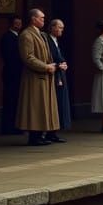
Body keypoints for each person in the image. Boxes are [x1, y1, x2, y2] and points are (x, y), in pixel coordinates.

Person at [16, 8, 61, 146]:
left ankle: (43, 134)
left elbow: (47, 53)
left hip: (45, 76)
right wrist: (45, 66)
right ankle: (34, 136)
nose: (43, 20)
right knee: (35, 107)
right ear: (33, 19)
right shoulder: (26, 35)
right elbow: (28, 57)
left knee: (44, 107)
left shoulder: (42, 35)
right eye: (41, 18)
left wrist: (52, 64)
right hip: (34, 77)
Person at [45, 18, 70, 138]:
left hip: (60, 73)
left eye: (62, 28)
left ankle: (54, 132)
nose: (62, 30)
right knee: (54, 103)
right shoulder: (47, 40)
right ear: (53, 27)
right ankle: (50, 132)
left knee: (60, 103)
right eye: (60, 27)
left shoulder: (56, 40)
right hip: (53, 75)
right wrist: (59, 64)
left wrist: (64, 63)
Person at [0, 15, 23, 135]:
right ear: (11, 24)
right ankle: (8, 127)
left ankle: (15, 125)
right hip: (11, 73)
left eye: (20, 23)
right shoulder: (7, 37)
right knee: (10, 100)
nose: (19, 25)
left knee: (16, 100)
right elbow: (9, 57)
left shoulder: (19, 37)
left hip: (17, 73)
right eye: (16, 23)